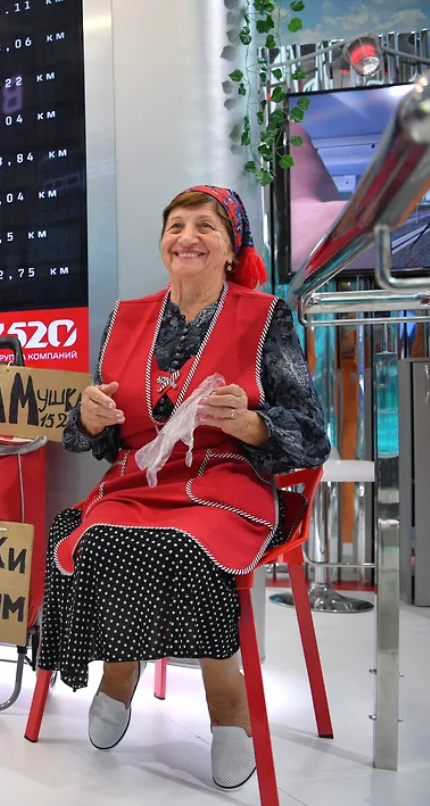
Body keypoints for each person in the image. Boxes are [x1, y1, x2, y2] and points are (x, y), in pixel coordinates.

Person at [39, 185, 329, 790]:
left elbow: (311, 433)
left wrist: (252, 424)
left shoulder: (265, 316)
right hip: (135, 485)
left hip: (226, 484)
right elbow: (94, 435)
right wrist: (88, 418)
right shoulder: (126, 318)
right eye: (176, 226)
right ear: (163, 243)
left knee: (183, 544)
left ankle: (225, 695)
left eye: (205, 226)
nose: (187, 237)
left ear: (231, 248)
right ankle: (121, 669)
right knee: (96, 538)